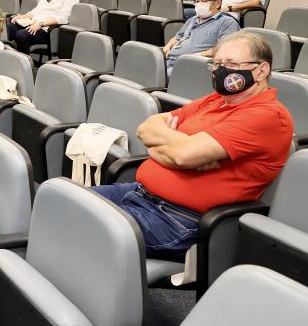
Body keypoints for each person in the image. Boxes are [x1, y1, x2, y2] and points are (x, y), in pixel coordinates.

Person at [93, 31, 292, 260]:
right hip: (139, 193)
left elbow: (184, 155)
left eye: (232, 63)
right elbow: (146, 128)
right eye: (217, 63)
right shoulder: (216, 100)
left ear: (261, 70)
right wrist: (175, 151)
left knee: (80, 227)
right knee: (60, 204)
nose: (221, 70)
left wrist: (174, 148)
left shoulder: (267, 115)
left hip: (178, 220)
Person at [163, 0, 239, 75]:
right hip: (170, 60)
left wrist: (196, 56)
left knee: (153, 75)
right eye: (197, 1)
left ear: (217, 4)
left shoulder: (227, 22)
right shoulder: (192, 19)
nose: (198, 4)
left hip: (192, 66)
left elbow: (224, 49)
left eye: (203, 1)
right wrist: (167, 47)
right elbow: (178, 37)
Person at [6, 0, 79, 54]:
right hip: (33, 24)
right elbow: (36, 11)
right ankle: (11, 56)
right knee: (9, 28)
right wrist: (22, 17)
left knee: (21, 35)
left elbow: (63, 18)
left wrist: (40, 24)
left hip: (47, 30)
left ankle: (25, 63)